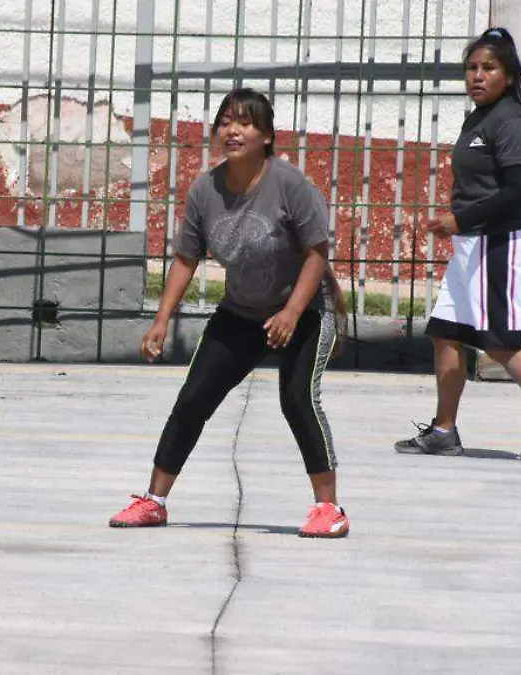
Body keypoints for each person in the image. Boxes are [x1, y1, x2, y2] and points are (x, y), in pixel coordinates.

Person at [108, 88, 352, 538]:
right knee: (193, 397)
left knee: (297, 399)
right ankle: (154, 500)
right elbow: (186, 258)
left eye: (246, 122)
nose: (233, 130)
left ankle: (328, 508)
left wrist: (293, 313)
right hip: (241, 312)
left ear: (267, 136)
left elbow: (317, 252)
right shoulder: (205, 190)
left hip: (305, 309)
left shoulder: (289, 184)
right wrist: (161, 318)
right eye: (225, 122)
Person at [395, 28, 521, 462]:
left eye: (489, 68)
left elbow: (516, 189)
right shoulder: (478, 119)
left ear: (508, 75)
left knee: (502, 341)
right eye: (472, 68)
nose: (477, 76)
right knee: (445, 334)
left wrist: (459, 219)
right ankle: (443, 431)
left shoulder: (512, 122)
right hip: (471, 246)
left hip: (497, 245)